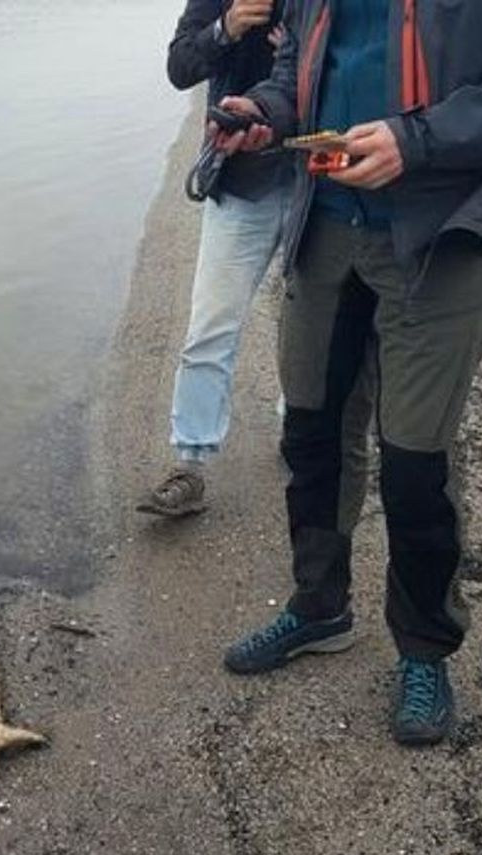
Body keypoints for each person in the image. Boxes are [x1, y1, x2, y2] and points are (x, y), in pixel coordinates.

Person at [213, 0, 482, 745]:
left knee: (417, 460)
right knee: (313, 434)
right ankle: (319, 607)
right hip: (324, 226)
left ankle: (425, 649)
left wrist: (416, 140)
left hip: (438, 235)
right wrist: (264, 108)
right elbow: (304, 59)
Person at [140, 0, 375, 519]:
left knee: (311, 329)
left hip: (325, 184)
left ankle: (300, 436)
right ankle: (190, 462)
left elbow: (380, 65)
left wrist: (312, 56)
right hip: (244, 183)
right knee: (210, 325)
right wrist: (225, 29)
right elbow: (180, 67)